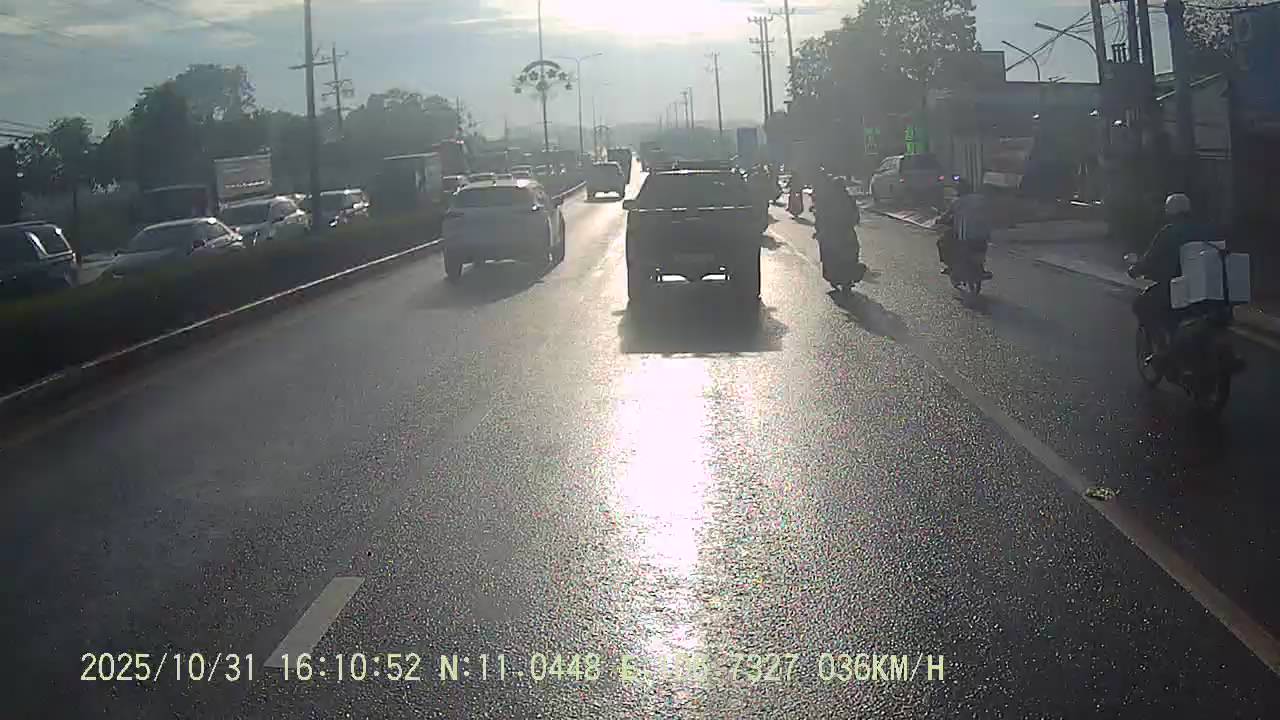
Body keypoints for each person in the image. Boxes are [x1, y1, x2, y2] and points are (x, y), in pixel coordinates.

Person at [1129, 193, 1201, 364]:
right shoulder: (1202, 230)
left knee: (1140, 305)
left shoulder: (1168, 233)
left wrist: (1135, 269)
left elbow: (1150, 259)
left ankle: (1161, 348)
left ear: (1169, 212)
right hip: (1203, 289)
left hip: (1174, 288)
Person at [936, 178, 991, 278]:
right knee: (980, 250)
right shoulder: (982, 199)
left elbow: (946, 216)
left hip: (965, 236)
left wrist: (939, 220)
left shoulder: (958, 202)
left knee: (943, 242)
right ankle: (981, 269)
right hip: (983, 235)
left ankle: (950, 265)